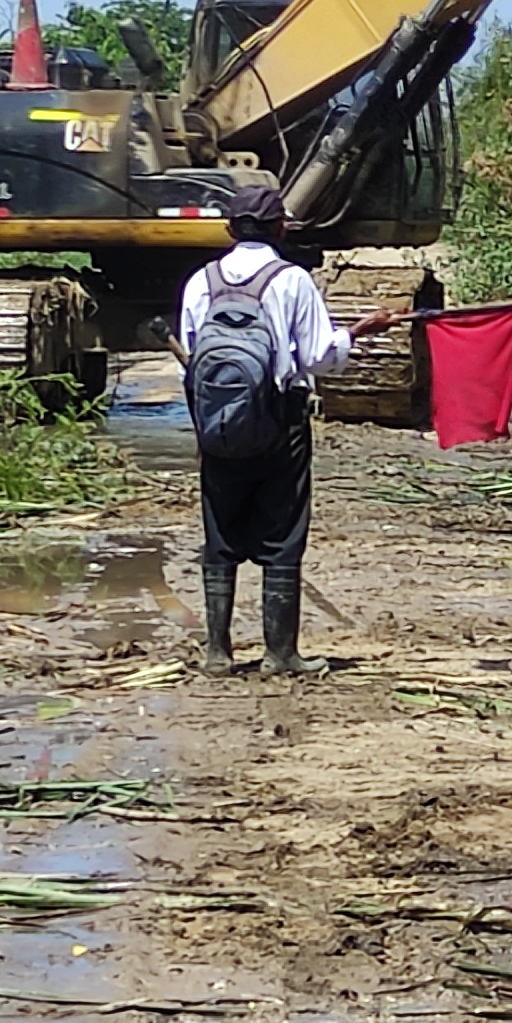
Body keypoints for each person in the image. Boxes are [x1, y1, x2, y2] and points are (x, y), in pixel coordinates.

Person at [177, 190, 349, 676]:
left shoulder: (199, 282)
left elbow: (191, 361)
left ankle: (217, 652)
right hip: (281, 422)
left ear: (231, 230)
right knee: (283, 532)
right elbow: (317, 357)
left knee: (221, 531)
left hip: (216, 427)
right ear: (281, 229)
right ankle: (280, 654)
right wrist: (350, 338)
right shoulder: (293, 280)